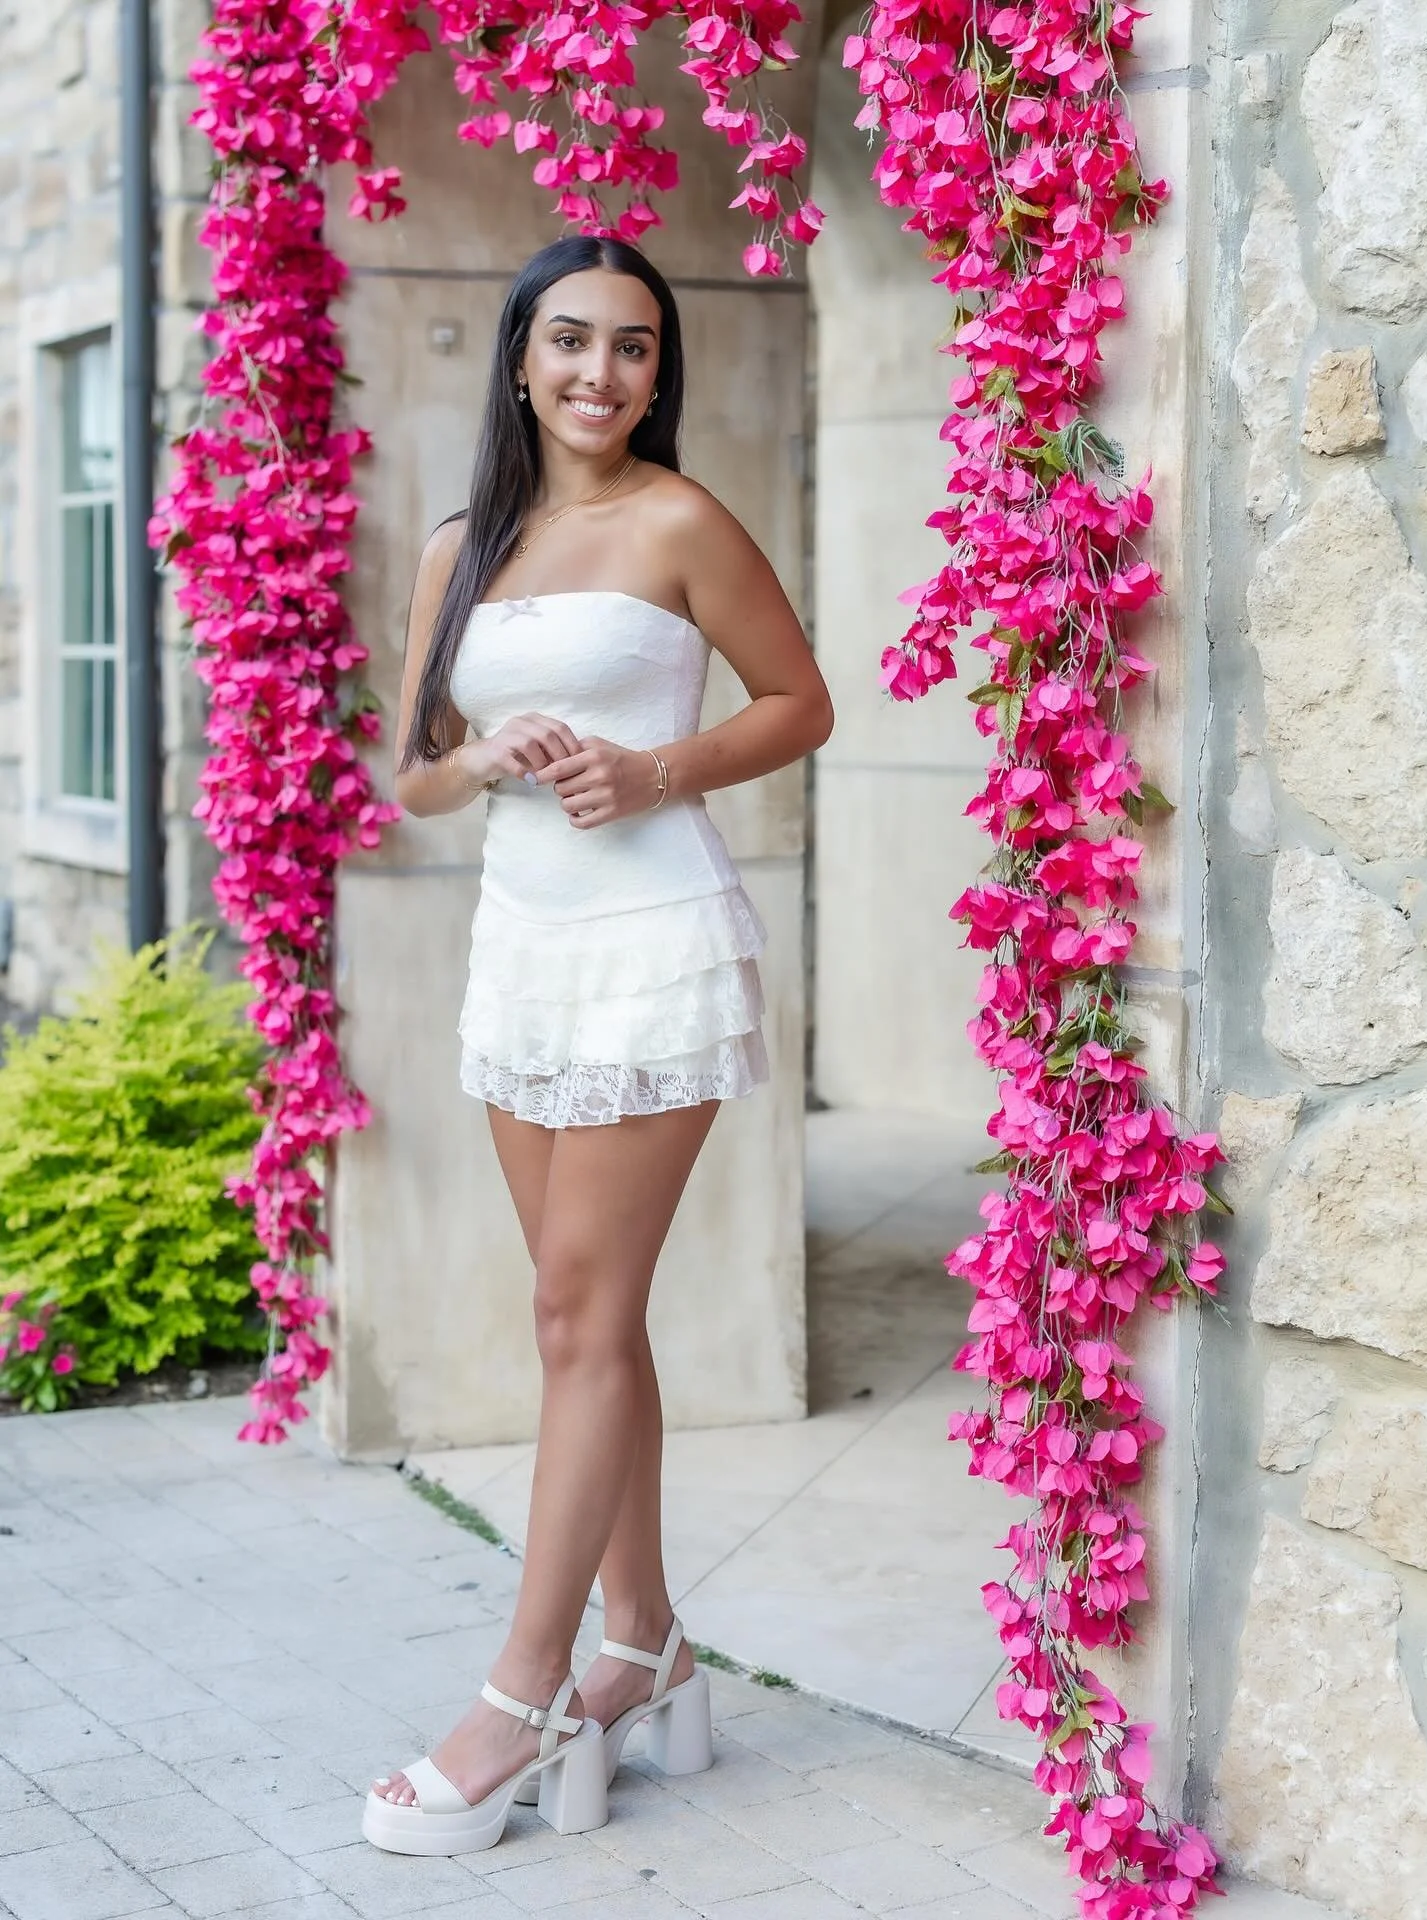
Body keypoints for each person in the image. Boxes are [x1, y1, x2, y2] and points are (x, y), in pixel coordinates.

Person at [362, 235, 833, 1856]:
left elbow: (800, 703)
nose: (600, 375)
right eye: (571, 343)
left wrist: (656, 773)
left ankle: (527, 1692)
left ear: (658, 374)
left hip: (655, 946)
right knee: (587, 1317)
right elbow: (412, 774)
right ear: (519, 359)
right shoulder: (460, 546)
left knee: (578, 1310)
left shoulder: (683, 520)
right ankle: (648, 1646)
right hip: (522, 955)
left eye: (634, 350)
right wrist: (484, 752)